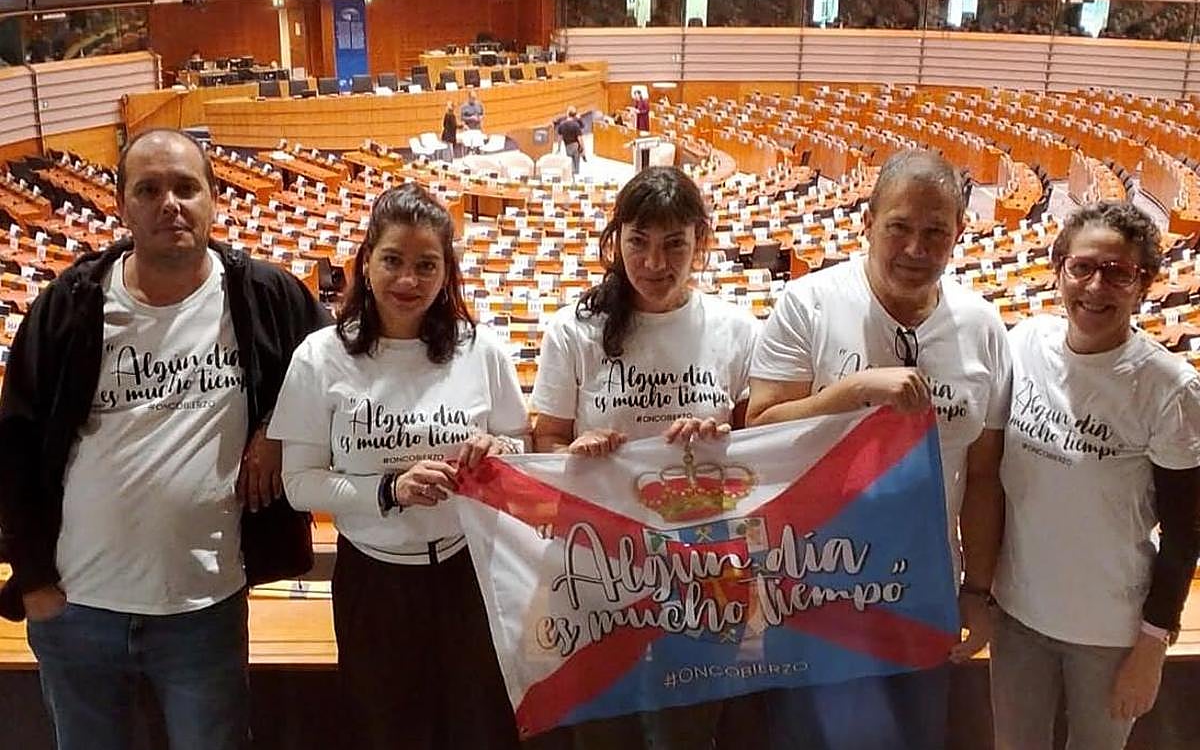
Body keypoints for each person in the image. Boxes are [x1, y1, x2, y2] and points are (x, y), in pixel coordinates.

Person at [0, 128, 327, 750]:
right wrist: (36, 581)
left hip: (204, 608)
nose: (168, 204)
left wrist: (275, 430)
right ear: (121, 205)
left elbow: (334, 375)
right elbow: (14, 447)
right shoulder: (68, 305)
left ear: (213, 199)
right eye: (148, 190)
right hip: (77, 607)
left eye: (185, 187)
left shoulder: (264, 297)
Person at [746, 149, 1012, 749]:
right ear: (867, 222)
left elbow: (985, 474)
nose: (916, 249)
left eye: (935, 232)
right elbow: (759, 430)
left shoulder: (983, 328)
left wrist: (976, 593)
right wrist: (851, 392)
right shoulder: (807, 305)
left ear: (959, 235)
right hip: (812, 590)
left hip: (921, 593)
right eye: (899, 227)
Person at [269, 185, 527, 750]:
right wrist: (389, 489)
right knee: (385, 731)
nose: (407, 281)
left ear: (447, 271)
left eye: (425, 265)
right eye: (392, 261)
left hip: (471, 578)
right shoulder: (321, 356)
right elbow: (297, 483)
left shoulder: (481, 350)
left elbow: (518, 444)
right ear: (366, 261)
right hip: (375, 583)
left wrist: (501, 454)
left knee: (479, 727)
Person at [531, 166, 761, 749]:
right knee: (604, 730)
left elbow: (760, 444)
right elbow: (546, 441)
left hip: (707, 561)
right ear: (616, 241)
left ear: (700, 243)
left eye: (674, 245)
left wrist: (722, 435)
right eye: (638, 242)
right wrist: (575, 451)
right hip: (602, 559)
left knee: (689, 728)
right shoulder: (573, 331)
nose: (655, 263)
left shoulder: (735, 329)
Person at [990, 202, 1200, 750]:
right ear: (1058, 267)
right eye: (1083, 267)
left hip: (1110, 634)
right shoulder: (1023, 345)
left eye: (1118, 272)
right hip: (1018, 618)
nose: (1096, 287)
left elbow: (1185, 533)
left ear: (1143, 284)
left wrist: (1152, 648)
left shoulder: (1170, 388)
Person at [556, 106, 585, 176]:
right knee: (576, 163)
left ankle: (572, 175)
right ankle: (576, 175)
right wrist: (582, 148)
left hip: (568, 146)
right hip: (576, 145)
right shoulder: (576, 125)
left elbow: (560, 138)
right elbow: (580, 138)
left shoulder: (562, 124)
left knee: (570, 163)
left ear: (567, 113)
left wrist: (559, 148)